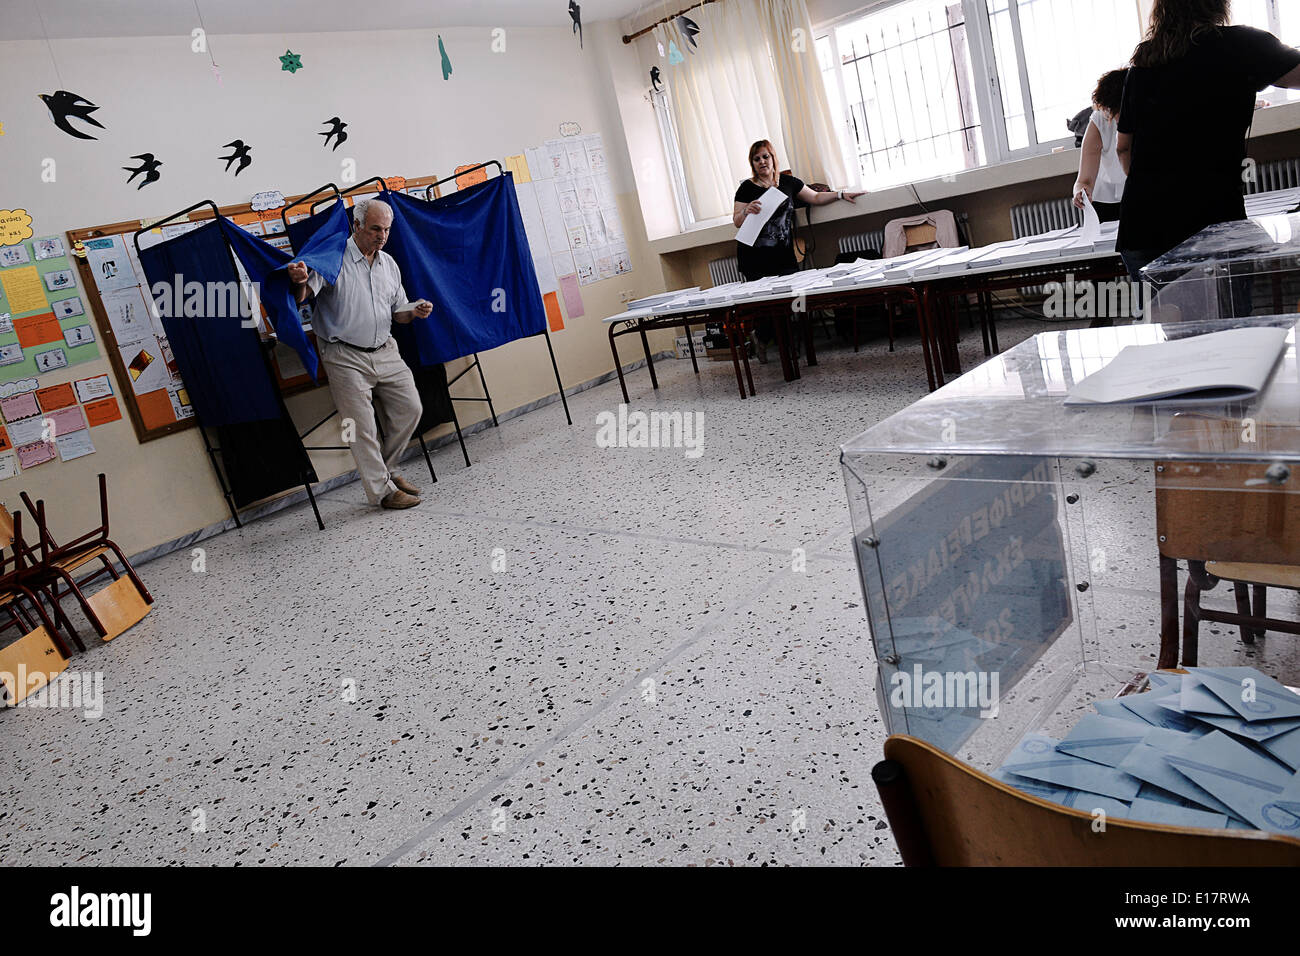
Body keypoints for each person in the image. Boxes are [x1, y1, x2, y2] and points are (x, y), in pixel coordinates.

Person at [1116, 0, 1300, 281]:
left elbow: (1123, 147)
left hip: (1142, 223)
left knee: (1167, 318)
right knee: (1229, 320)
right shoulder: (1242, 44)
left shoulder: (1142, 65)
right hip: (1209, 219)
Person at [287, 198, 433, 511]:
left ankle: (388, 471)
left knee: (412, 408)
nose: (381, 236)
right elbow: (304, 295)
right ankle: (383, 492)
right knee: (362, 426)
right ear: (356, 226)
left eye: (387, 230)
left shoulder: (388, 264)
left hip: (385, 349)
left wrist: (415, 310)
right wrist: (298, 283)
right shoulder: (333, 258)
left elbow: (399, 312)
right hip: (344, 355)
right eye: (375, 229)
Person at [733, 140, 865, 358]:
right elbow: (737, 221)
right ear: (752, 163)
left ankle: (774, 340)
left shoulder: (788, 183)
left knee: (795, 300)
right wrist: (746, 210)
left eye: (765, 156)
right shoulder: (747, 188)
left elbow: (814, 196)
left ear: (773, 158)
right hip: (755, 257)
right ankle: (775, 344)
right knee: (766, 306)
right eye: (757, 159)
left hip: (782, 255)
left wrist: (841, 194)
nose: (762, 162)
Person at [1072, 68, 1129, 224]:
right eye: (1109, 110)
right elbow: (1083, 181)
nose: (1113, 117)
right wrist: (1080, 193)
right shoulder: (1100, 121)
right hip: (1105, 202)